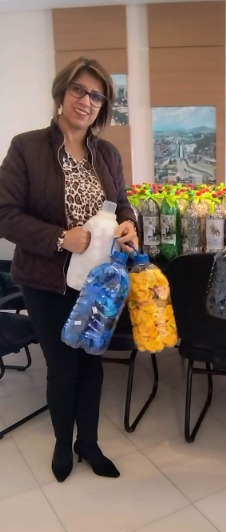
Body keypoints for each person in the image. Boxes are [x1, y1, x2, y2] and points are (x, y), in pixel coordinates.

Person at [0, 57, 139, 483]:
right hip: (47, 282)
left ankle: (89, 444)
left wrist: (129, 224)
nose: (86, 100)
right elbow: (5, 214)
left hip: (98, 284)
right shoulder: (27, 147)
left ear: (103, 106)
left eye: (96, 95)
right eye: (79, 89)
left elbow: (123, 203)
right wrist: (61, 237)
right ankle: (63, 442)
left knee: (92, 364)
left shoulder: (107, 153)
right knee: (62, 365)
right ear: (62, 93)